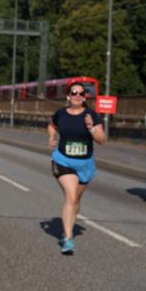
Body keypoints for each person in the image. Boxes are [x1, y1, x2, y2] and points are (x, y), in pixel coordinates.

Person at [48, 82, 106, 255]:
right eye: (74, 92)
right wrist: (52, 137)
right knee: (71, 196)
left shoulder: (91, 115)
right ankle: (68, 237)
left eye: (81, 93)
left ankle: (68, 226)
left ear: (85, 97)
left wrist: (91, 128)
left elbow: (101, 140)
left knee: (76, 201)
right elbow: (52, 125)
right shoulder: (60, 114)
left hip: (85, 164)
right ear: (68, 96)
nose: (77, 95)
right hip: (63, 161)